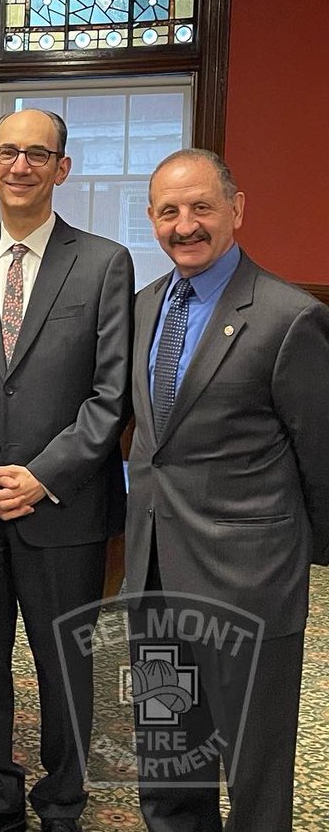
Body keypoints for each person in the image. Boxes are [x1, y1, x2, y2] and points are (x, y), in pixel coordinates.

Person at [0, 109, 133, 832]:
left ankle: (62, 800)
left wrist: (41, 476)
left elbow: (112, 396)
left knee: (64, 664)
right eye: (8, 153)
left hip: (65, 505)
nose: (22, 167)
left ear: (61, 169)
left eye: (38, 155)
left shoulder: (106, 262)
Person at [123, 149, 329, 831]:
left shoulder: (287, 317)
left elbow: (321, 460)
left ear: (236, 209)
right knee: (169, 757)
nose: (185, 225)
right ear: (152, 219)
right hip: (154, 577)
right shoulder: (145, 306)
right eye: (169, 211)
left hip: (249, 584)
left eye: (201, 207)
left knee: (253, 769)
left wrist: (297, 564)